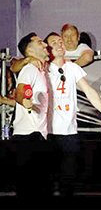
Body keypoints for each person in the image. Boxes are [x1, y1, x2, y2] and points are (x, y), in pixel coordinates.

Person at [11, 34, 52, 208]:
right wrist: (24, 101)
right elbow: (20, 92)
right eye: (40, 42)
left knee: (39, 190)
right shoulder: (29, 69)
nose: (45, 45)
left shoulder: (41, 70)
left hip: (38, 136)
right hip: (28, 137)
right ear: (29, 49)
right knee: (29, 191)